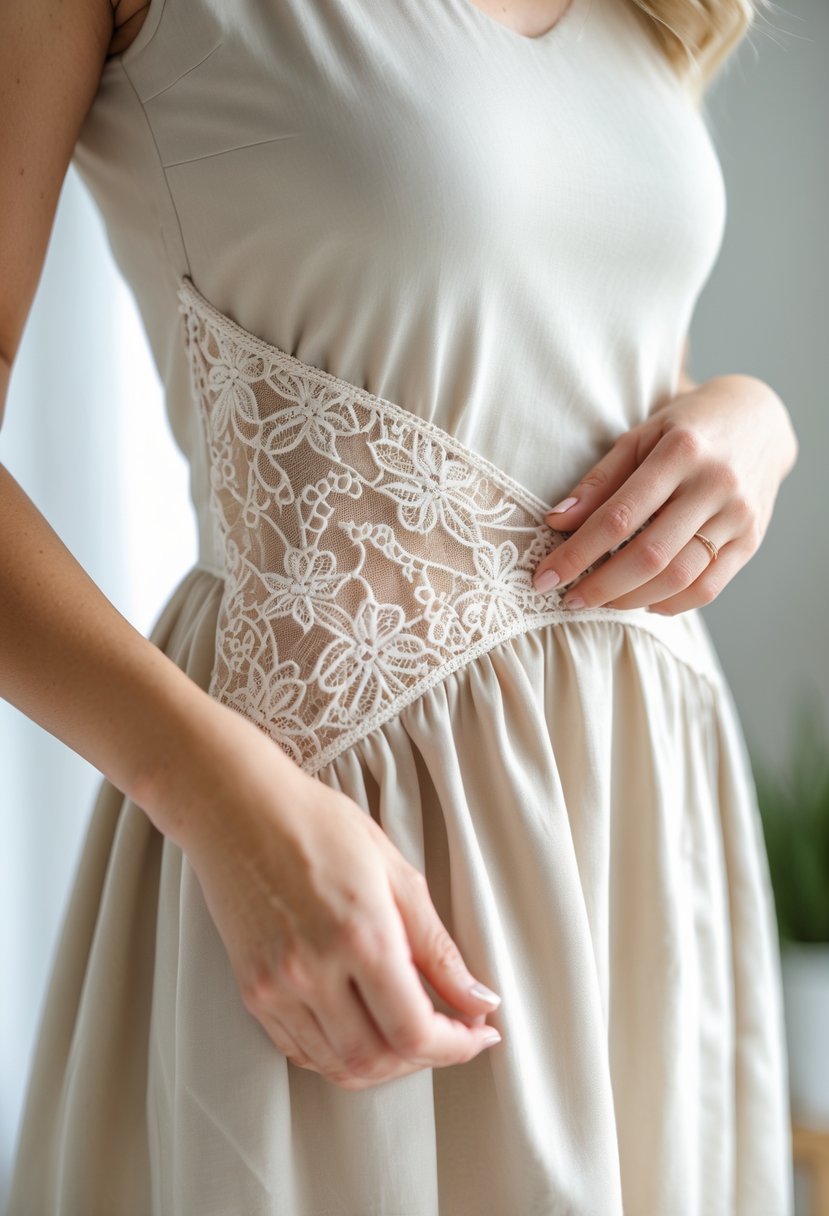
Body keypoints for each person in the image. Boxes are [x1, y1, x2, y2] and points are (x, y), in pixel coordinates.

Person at [1, 0, 799, 1212]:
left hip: (640, 828)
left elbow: (567, 351)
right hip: (327, 848)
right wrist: (213, 796)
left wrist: (754, 420)